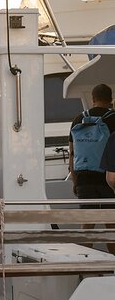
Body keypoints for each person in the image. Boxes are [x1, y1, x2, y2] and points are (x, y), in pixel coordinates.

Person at [68, 83, 115, 253]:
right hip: (108, 179)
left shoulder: (78, 119)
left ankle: (84, 266)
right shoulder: (113, 119)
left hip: (84, 179)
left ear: (93, 99)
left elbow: (72, 154)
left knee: (87, 227)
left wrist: (75, 181)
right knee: (111, 228)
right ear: (110, 100)